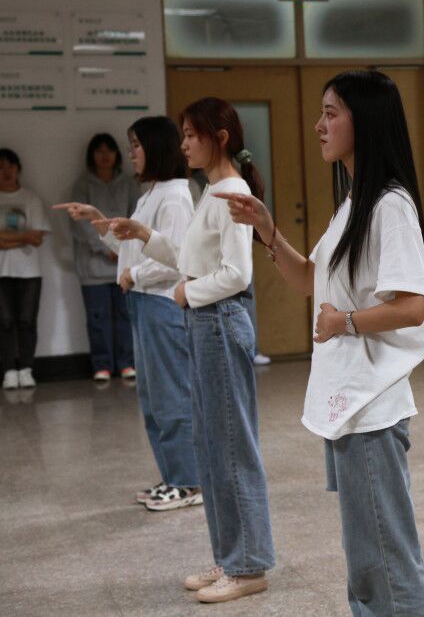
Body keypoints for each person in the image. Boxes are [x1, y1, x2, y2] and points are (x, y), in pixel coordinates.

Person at [217, 70, 424, 616]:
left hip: (372, 405)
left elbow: (413, 307)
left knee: (385, 556)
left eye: (331, 113)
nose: (319, 125)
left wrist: (346, 322)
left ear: (367, 122)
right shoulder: (354, 202)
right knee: (365, 556)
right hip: (349, 402)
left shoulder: (390, 205)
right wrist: (268, 231)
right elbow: (311, 279)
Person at [107, 98, 275, 603]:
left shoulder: (233, 192)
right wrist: (146, 236)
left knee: (231, 447)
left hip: (219, 321)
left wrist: (188, 293)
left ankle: (248, 566)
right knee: (211, 446)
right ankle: (230, 556)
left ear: (219, 137)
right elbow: (189, 256)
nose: (182, 145)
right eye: (181, 135)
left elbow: (238, 274)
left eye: (190, 134)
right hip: (205, 323)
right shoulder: (211, 191)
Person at [55, 117, 199, 510]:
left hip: (161, 303)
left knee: (172, 397)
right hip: (142, 302)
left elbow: (177, 258)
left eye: (136, 145)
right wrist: (97, 219)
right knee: (153, 400)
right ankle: (173, 475)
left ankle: (188, 482)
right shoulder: (151, 193)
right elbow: (132, 249)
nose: (131, 153)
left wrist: (135, 275)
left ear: (155, 147)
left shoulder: (174, 195)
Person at [68, 133, 139, 382]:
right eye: (99, 151)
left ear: (117, 154)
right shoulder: (82, 185)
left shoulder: (129, 184)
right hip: (93, 267)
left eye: (109, 150)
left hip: (124, 264)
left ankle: (127, 363)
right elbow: (79, 224)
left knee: (125, 316)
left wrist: (121, 248)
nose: (105, 155)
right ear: (91, 156)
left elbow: (136, 217)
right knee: (97, 319)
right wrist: (105, 248)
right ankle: (102, 365)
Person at [0, 148, 49, 390]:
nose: (6, 171)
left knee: (27, 321)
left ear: (18, 169)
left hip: (29, 271)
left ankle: (27, 369)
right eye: (0, 167)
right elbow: (29, 236)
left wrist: (5, 238)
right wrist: (23, 236)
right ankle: (9, 370)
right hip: (2, 271)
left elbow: (37, 238)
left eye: (10, 166)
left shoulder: (31, 199)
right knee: (4, 322)